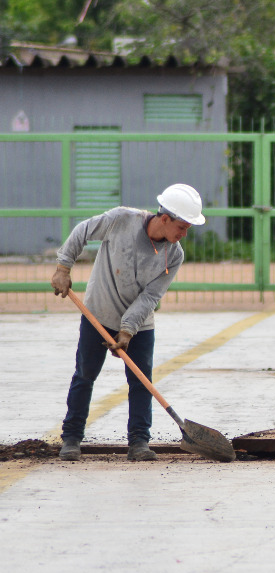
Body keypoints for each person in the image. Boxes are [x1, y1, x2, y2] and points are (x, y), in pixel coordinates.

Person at [50, 184, 205, 462]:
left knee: (141, 381)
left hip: (139, 325)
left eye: (188, 229)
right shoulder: (121, 220)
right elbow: (82, 231)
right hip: (98, 313)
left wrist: (128, 329)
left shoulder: (175, 255)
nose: (183, 235)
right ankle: (71, 438)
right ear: (165, 218)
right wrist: (63, 267)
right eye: (182, 227)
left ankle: (139, 442)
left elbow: (151, 296)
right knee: (85, 375)